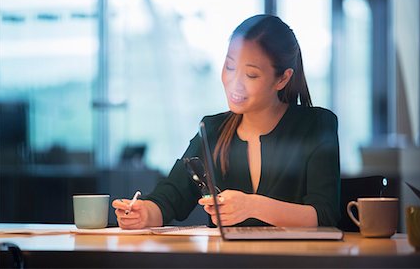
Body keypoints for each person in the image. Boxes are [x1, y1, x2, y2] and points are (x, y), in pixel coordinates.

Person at [112, 14, 341, 229]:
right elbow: (170, 198)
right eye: (230, 67)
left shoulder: (317, 125)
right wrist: (143, 213)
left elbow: (326, 215)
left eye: (251, 75)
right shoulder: (213, 131)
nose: (234, 83)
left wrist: (253, 206)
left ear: (283, 78)